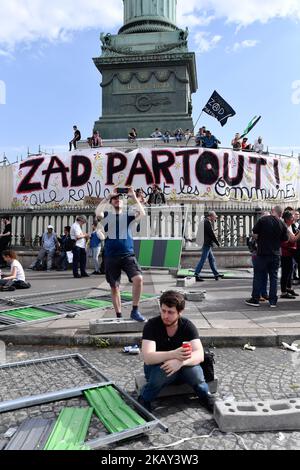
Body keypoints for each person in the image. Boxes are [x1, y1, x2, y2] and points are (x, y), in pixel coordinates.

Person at [138, 290, 215, 413]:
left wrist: (180, 363)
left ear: (180, 312)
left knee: (195, 371)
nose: (165, 316)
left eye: (170, 312)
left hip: (182, 367)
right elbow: (148, 357)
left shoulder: (187, 326)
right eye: (163, 311)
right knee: (162, 371)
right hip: (157, 369)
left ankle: (205, 395)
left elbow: (199, 354)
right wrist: (173, 354)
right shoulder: (152, 325)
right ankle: (144, 398)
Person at [96, 188, 146, 322]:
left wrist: (134, 197)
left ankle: (135, 311)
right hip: (111, 255)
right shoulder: (106, 215)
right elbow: (97, 212)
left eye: (120, 198)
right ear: (112, 202)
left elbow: (142, 213)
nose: (118, 200)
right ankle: (118, 315)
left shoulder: (128, 215)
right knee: (114, 286)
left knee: (138, 279)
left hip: (128, 254)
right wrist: (108, 196)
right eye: (115, 199)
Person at [245, 206, 289, 308]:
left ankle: (255, 299)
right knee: (273, 278)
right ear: (281, 214)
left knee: (258, 276)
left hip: (262, 253)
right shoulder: (282, 224)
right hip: (275, 254)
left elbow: (255, 232)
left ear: (273, 211)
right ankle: (273, 301)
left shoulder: (263, 220)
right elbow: (286, 239)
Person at [194, 212, 223, 281]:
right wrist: (218, 243)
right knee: (203, 259)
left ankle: (216, 274)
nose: (215, 218)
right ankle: (196, 274)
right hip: (206, 243)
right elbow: (212, 234)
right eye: (215, 217)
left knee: (211, 259)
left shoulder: (204, 221)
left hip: (205, 243)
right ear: (211, 216)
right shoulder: (207, 222)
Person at [280, 211, 300, 299]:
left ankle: (289, 288)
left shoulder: (291, 226)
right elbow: (293, 239)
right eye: (292, 217)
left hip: (291, 251)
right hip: (285, 252)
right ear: (287, 219)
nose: (294, 218)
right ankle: (283, 292)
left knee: (290, 270)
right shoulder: (285, 227)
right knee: (285, 272)